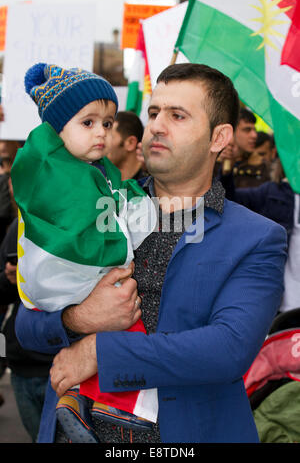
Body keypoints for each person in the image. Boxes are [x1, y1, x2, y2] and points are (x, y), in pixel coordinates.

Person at [15, 63, 287, 443]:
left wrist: (100, 351)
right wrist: (78, 318)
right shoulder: (92, 206)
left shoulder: (257, 238)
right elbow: (26, 326)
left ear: (219, 138)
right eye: (154, 113)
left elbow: (227, 348)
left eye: (177, 116)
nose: (157, 126)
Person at [11, 63, 158, 443]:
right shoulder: (55, 174)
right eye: (87, 122)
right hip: (64, 283)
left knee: (119, 324)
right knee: (120, 320)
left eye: (107, 124)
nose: (101, 133)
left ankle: (88, 401)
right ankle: (91, 402)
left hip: (82, 296)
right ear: (58, 129)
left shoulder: (99, 172)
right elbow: (82, 230)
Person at [0, 217, 53, 442]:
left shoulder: (80, 219)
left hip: (64, 365)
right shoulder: (18, 225)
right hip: (22, 366)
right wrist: (11, 279)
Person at [105, 111, 148, 181]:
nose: (102, 143)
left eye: (110, 137)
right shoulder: (101, 177)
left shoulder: (151, 185)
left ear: (131, 143)